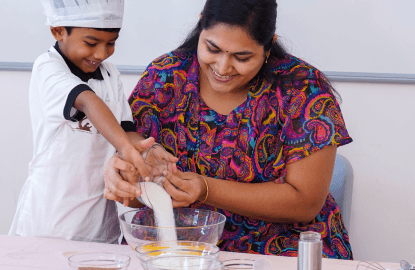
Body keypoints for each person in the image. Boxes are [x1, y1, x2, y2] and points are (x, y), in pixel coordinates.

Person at [104, 0, 353, 259]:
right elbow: (138, 171)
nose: (222, 68)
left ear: (269, 45)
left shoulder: (303, 90)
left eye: (242, 57)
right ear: (201, 24)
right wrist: (127, 178)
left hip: (283, 249)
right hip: (177, 245)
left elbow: (305, 204)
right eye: (212, 48)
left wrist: (206, 189)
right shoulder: (165, 77)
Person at [8, 0, 171, 243]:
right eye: (91, 43)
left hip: (99, 225)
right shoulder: (48, 68)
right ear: (58, 30)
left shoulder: (110, 74)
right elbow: (87, 101)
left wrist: (145, 151)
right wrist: (126, 149)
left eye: (111, 43)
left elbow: (126, 130)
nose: (102, 53)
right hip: (51, 224)